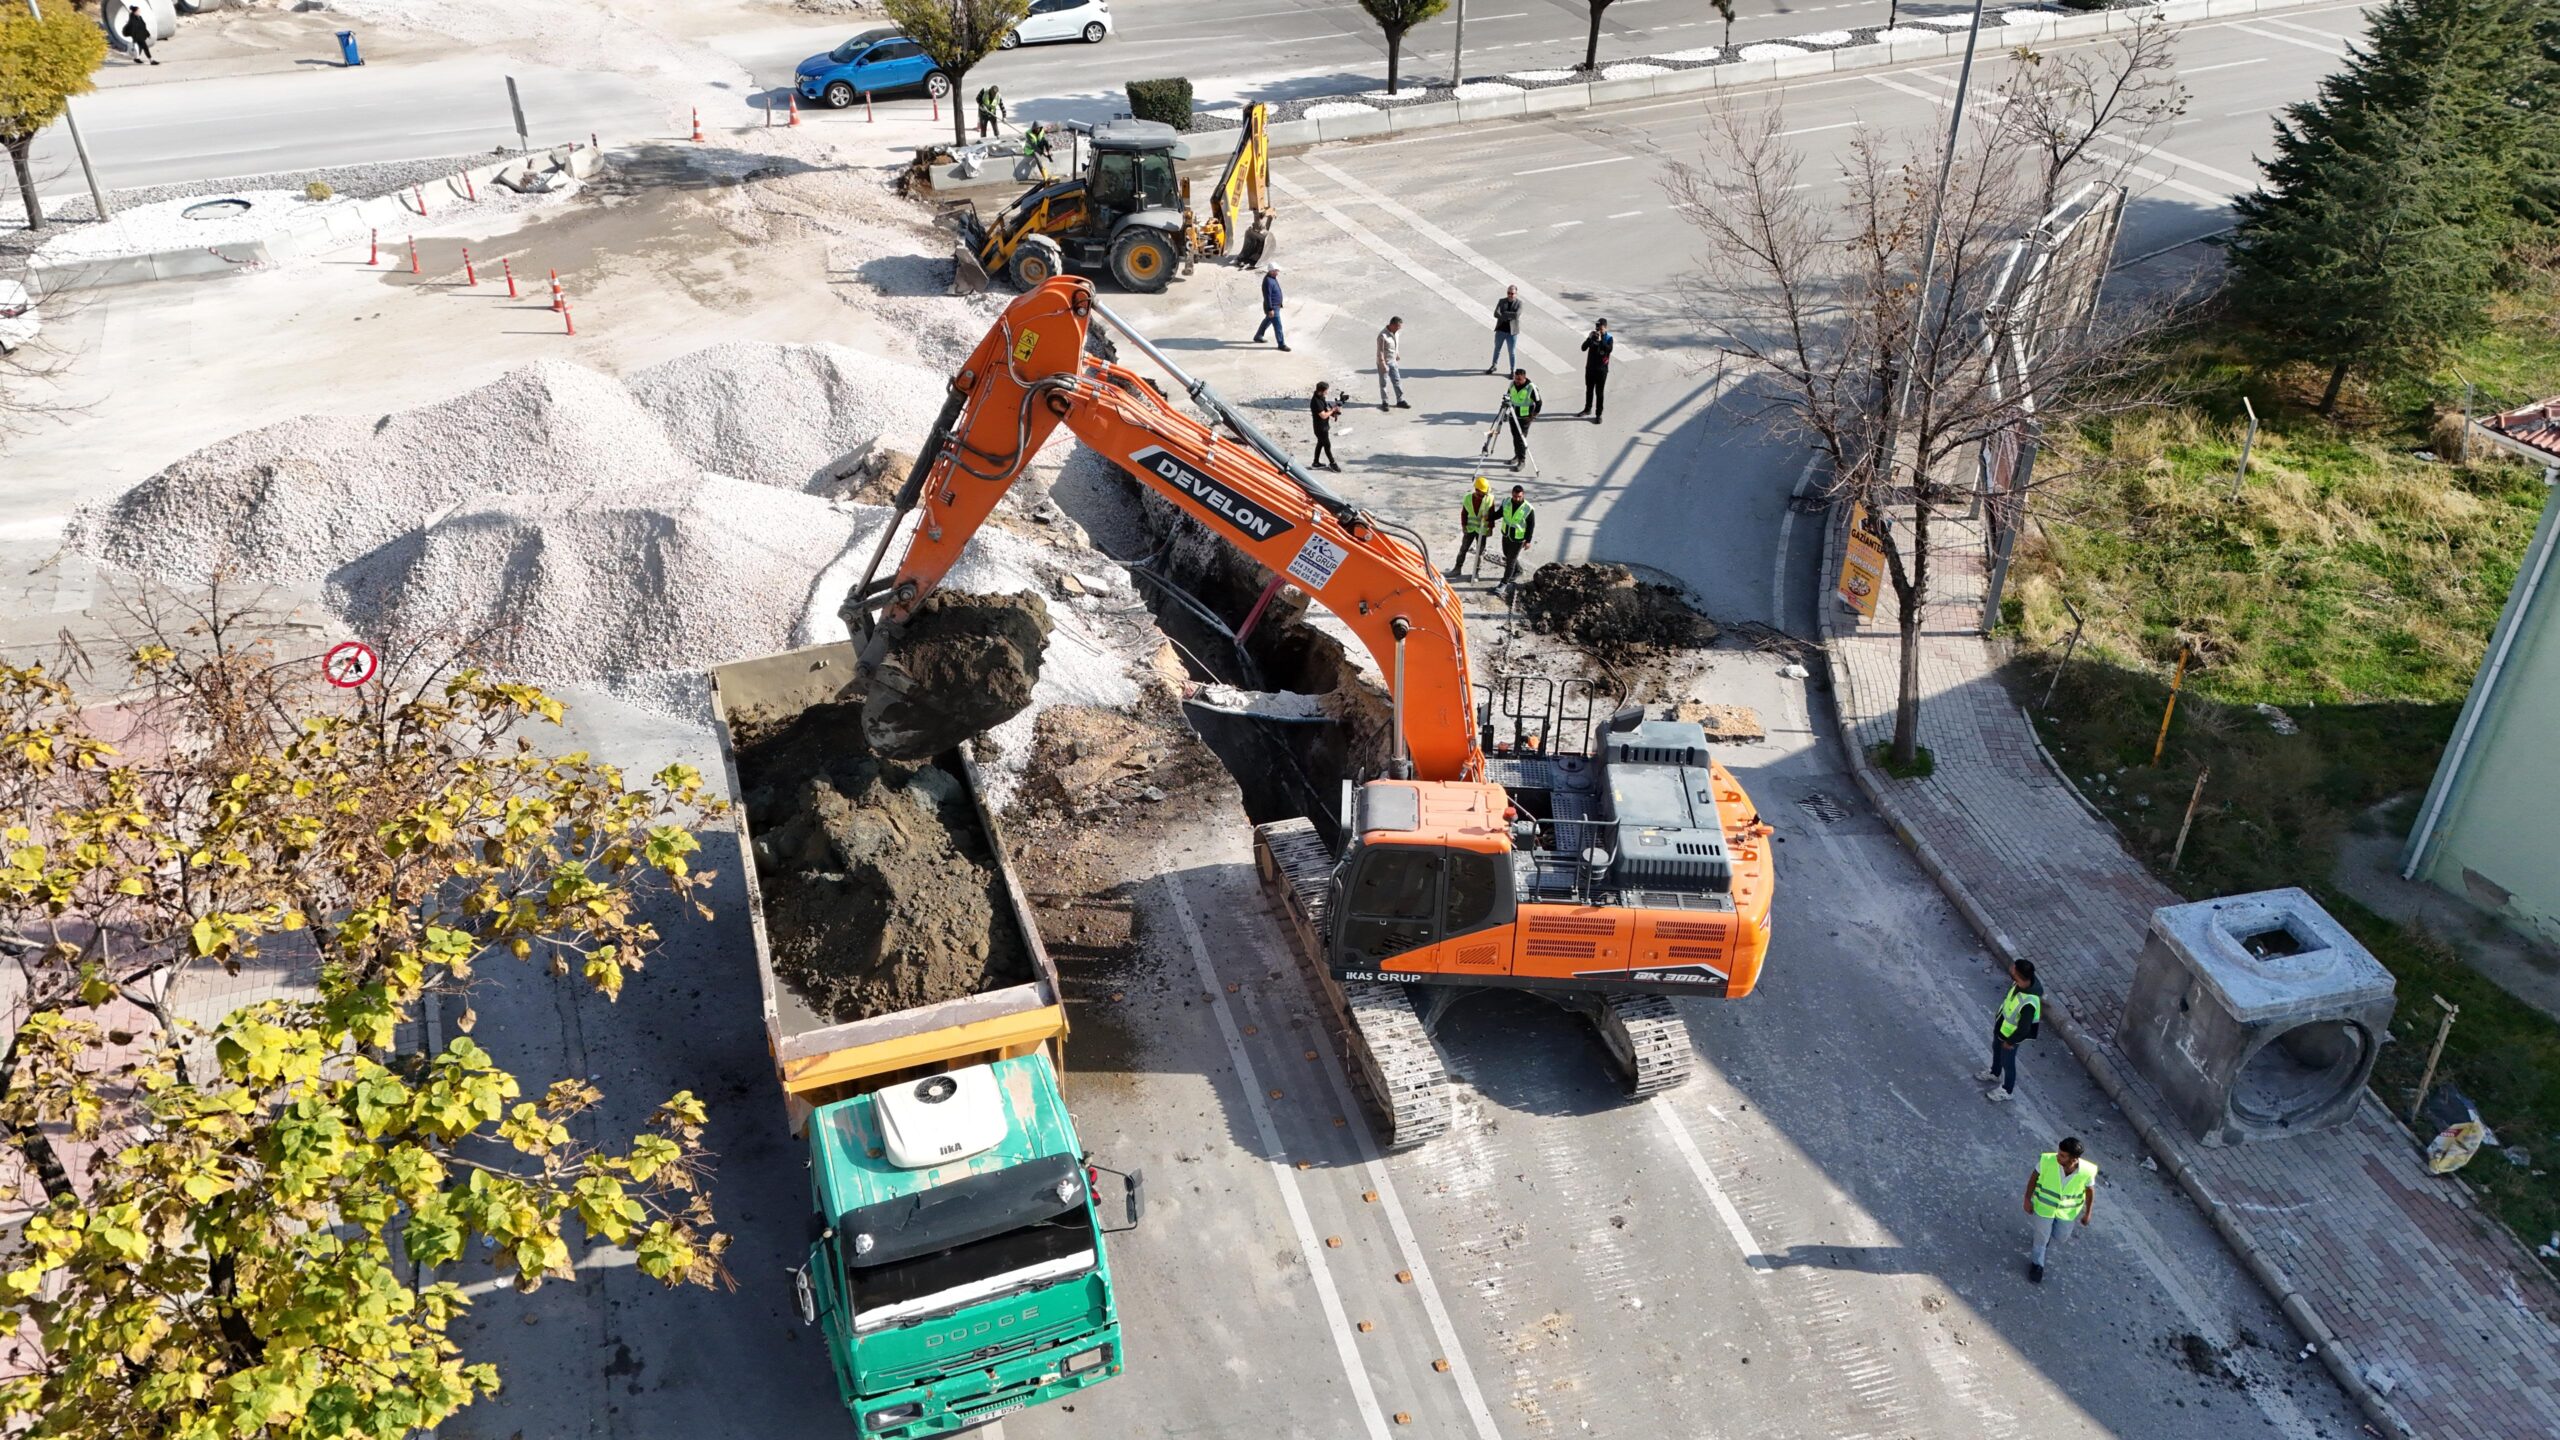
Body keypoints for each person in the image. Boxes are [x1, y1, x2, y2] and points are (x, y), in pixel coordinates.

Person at [2022, 1137, 2098, 1284]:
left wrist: (2088, 1212)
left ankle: (2045, 1239)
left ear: (2074, 1159)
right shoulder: (2047, 1160)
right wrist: (2027, 1198)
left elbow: (2090, 1191)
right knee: (2041, 1237)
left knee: (2061, 1236)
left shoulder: (2087, 1172)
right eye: (2059, 1152)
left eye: (2062, 1155)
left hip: (2066, 1213)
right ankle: (2037, 1265)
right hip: (2044, 1208)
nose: (2058, 1156)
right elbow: (2033, 1178)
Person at [1978, 960, 2042, 1102]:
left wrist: (2010, 1042)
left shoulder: (2029, 1003)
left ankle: (2007, 1090)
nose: (2011, 967)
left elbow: (2024, 1028)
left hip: (2010, 1037)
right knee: (1996, 1050)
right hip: (2001, 1029)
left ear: (2018, 974)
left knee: (2008, 1063)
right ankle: (1994, 1073)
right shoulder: (2020, 984)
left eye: (2014, 968)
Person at [1494, 484, 1536, 597]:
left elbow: (1531, 526)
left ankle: (1504, 583)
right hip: (1506, 535)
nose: (1517, 498)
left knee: (1510, 561)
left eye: (1519, 496)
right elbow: (1499, 514)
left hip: (1518, 539)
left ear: (1523, 495)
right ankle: (1518, 570)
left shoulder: (1528, 509)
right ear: (1511, 494)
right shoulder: (1507, 502)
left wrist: (1528, 541)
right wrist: (1489, 517)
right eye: (1515, 496)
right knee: (1507, 554)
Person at [1454, 476, 1496, 578]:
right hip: (1470, 528)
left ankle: (1476, 573)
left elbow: (1492, 514)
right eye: (1481, 494)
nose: (1483, 496)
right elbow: (1464, 513)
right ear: (1476, 490)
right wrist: (1464, 526)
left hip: (1482, 530)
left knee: (1479, 552)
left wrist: (1490, 528)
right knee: (1463, 549)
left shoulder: (1489, 499)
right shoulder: (1468, 498)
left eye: (1485, 494)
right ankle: (1457, 569)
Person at [1499, 368, 1540, 469]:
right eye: (1515, 378)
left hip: (1525, 418)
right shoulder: (1512, 384)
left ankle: (1522, 461)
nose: (1517, 381)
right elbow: (1508, 396)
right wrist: (1504, 411)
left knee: (1521, 439)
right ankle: (1517, 456)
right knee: (1515, 437)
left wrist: (1532, 416)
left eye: (1519, 379)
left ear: (1524, 378)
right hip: (1513, 415)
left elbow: (1539, 403)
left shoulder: (1531, 387)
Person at [1577, 318, 1614, 422]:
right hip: (1590, 368)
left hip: (1601, 370)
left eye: (1601, 328)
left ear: (1605, 327)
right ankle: (1587, 409)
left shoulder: (1609, 338)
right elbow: (1583, 348)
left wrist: (1600, 340)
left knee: (1599, 392)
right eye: (1597, 328)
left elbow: (1608, 350)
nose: (1598, 330)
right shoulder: (1593, 336)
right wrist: (1589, 338)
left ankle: (1598, 414)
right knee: (1589, 390)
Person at [1487, 285, 1523, 374]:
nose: (1510, 295)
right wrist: (1507, 316)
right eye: (1508, 293)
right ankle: (1494, 365)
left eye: (1512, 293)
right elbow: (1496, 313)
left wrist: (1504, 314)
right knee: (1497, 349)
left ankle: (1512, 370)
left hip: (1512, 332)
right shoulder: (1502, 301)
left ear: (1516, 294)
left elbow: (1516, 315)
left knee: (1512, 352)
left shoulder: (1519, 303)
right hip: (1501, 330)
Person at [1309, 381, 1343, 472]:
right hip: (1320, 428)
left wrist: (1333, 413)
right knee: (1327, 445)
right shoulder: (1316, 401)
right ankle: (1333, 464)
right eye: (1326, 390)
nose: (1327, 392)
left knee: (1320, 444)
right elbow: (1323, 415)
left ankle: (1315, 463)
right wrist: (1333, 410)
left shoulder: (1321, 397)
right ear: (1321, 391)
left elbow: (1325, 410)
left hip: (1322, 426)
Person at [1376, 316, 1408, 411]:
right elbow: (1380, 352)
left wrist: (1397, 354)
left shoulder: (1396, 333)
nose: (1400, 328)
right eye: (1398, 326)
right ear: (1392, 325)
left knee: (1397, 380)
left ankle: (1400, 400)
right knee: (1384, 383)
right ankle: (1385, 402)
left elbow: (1395, 345)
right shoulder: (1382, 336)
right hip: (1384, 362)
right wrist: (1383, 364)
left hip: (1393, 361)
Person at [1252, 265, 1289, 350]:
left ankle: (1258, 336)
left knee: (1267, 321)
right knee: (1278, 326)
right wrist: (1270, 309)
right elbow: (1267, 296)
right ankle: (1281, 344)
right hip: (1273, 307)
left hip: (1276, 306)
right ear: (1271, 271)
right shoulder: (1268, 281)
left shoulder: (1272, 278)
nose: (1277, 272)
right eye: (1276, 270)